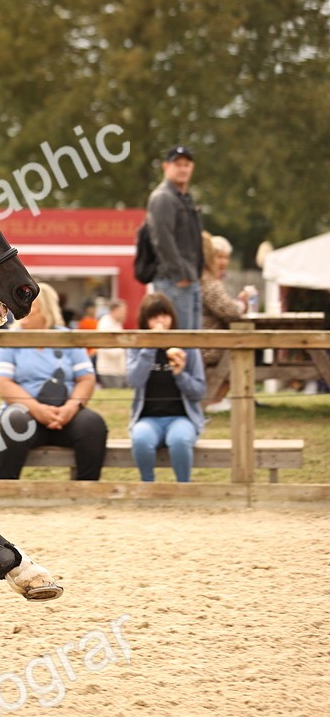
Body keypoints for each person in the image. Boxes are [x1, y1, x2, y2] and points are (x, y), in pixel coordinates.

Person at [0, 282, 108, 480]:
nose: (18, 309)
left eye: (28, 304)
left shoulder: (67, 337)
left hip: (65, 416)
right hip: (26, 415)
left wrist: (71, 407)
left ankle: (86, 491)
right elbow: (0, 382)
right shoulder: (10, 340)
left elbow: (86, 379)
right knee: (15, 420)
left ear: (45, 308)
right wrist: (37, 409)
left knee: (92, 424)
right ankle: (5, 487)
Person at [126, 293, 206, 482]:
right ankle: (148, 486)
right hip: (148, 419)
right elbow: (133, 381)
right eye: (154, 317)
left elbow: (199, 391)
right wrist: (150, 346)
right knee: (141, 440)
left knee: (179, 441)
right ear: (145, 321)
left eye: (164, 315)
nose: (160, 321)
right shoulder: (136, 347)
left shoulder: (187, 346)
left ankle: (183, 488)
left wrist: (180, 374)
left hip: (181, 418)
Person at [146, 145, 203, 329]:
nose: (183, 169)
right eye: (178, 164)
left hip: (190, 279)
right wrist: (180, 275)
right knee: (180, 343)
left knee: (193, 344)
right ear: (165, 167)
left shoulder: (186, 198)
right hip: (174, 281)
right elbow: (162, 240)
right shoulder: (163, 197)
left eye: (187, 164)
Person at [199, 232, 244, 412]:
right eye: (219, 257)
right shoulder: (208, 282)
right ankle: (215, 401)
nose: (223, 262)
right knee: (243, 347)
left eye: (226, 257)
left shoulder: (204, 280)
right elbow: (231, 313)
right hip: (210, 346)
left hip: (205, 342)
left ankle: (219, 398)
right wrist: (241, 305)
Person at [95, 300, 128, 388]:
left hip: (119, 369)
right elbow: (105, 346)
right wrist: (123, 349)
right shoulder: (105, 323)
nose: (124, 314)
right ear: (114, 310)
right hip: (108, 369)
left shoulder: (117, 324)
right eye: (122, 312)